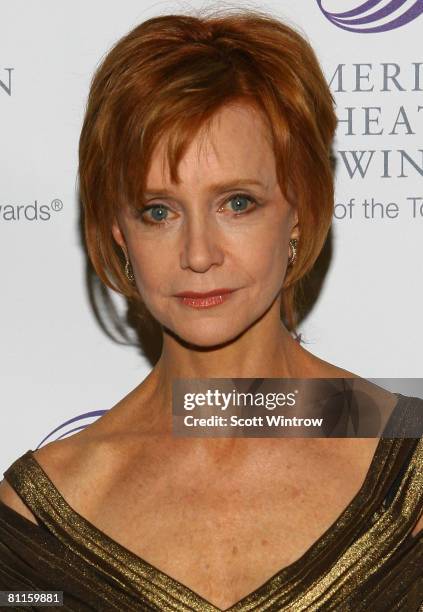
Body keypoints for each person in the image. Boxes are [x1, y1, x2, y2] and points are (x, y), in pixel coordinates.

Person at [0, 8, 422, 611]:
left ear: (300, 207)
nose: (198, 255)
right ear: (119, 230)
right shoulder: (36, 516)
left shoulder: (411, 462)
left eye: (238, 202)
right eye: (158, 212)